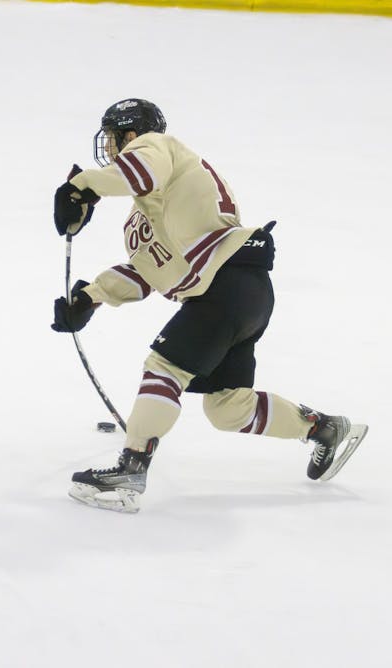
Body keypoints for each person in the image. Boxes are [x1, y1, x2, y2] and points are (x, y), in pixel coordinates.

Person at [51, 98, 367, 513]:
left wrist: (84, 185)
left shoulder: (156, 147)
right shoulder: (145, 213)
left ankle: (130, 470)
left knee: (164, 367)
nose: (110, 147)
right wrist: (90, 297)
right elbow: (150, 272)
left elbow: (137, 173)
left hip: (227, 284)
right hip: (244, 293)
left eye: (113, 137)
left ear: (131, 134)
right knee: (227, 407)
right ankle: (323, 428)